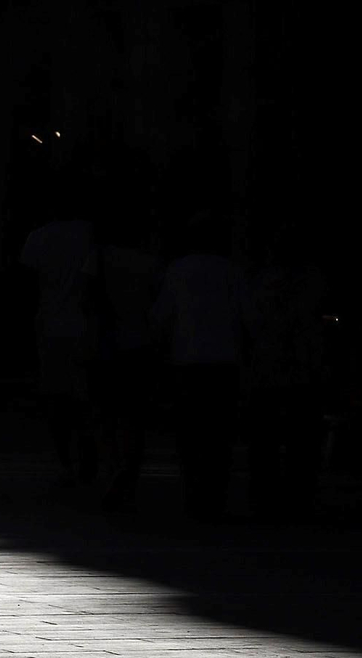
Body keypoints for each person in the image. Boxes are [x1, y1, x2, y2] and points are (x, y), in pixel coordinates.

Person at [150, 209, 249, 521]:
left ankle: (194, 494)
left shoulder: (178, 270)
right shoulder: (233, 271)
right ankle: (214, 495)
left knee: (189, 433)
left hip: (187, 361)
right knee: (219, 433)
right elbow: (248, 317)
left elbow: (161, 316)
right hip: (225, 361)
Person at [244, 218, 328, 521]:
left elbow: (252, 320)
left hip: (271, 367)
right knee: (300, 440)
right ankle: (296, 498)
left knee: (267, 439)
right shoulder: (313, 279)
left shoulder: (263, 279)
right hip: (301, 368)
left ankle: (267, 499)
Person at [83, 198, 163, 513]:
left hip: (104, 344)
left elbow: (85, 299)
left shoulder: (97, 258)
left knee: (103, 413)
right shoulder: (149, 262)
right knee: (133, 415)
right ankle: (129, 472)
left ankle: (111, 467)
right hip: (138, 344)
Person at [20, 191, 97, 485]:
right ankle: (86, 454)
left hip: (50, 324)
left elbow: (28, 285)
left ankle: (65, 457)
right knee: (84, 396)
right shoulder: (89, 234)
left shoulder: (38, 238)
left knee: (55, 396)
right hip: (84, 325)